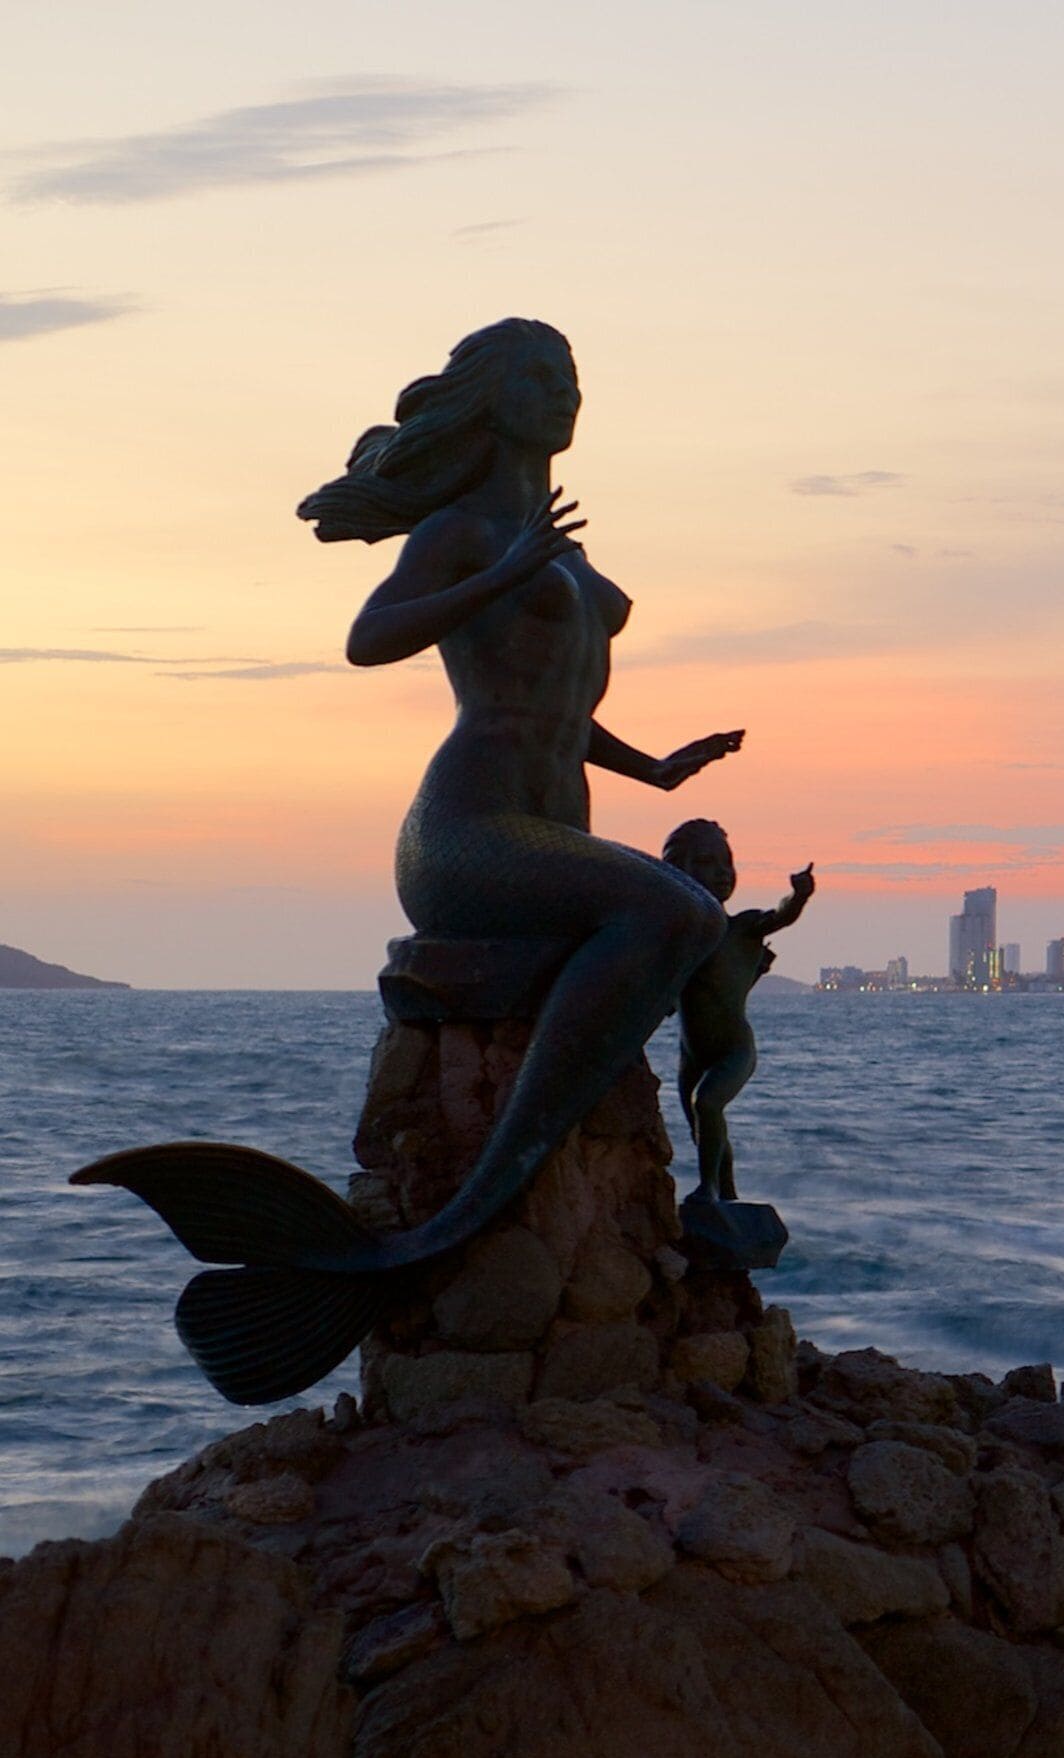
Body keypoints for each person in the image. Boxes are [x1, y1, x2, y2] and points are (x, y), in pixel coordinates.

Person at [75, 320, 750, 1401]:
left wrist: (658, 772)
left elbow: (556, 706)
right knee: (676, 913)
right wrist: (503, 571)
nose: (565, 392)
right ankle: (483, 1198)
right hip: (467, 836)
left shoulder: (551, 542)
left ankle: (665, 1193)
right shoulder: (465, 532)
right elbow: (371, 636)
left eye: (573, 373)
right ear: (490, 402)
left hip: (552, 832)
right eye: (539, 376)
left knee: (690, 916)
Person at [661, 820, 813, 1206]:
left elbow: (780, 915)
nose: (721, 873)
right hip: (690, 1058)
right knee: (703, 1129)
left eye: (726, 863)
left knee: (708, 1104)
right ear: (677, 870)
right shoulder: (676, 940)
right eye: (707, 862)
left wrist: (798, 897)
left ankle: (709, 1191)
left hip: (734, 1051)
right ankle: (726, 1197)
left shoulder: (742, 929)